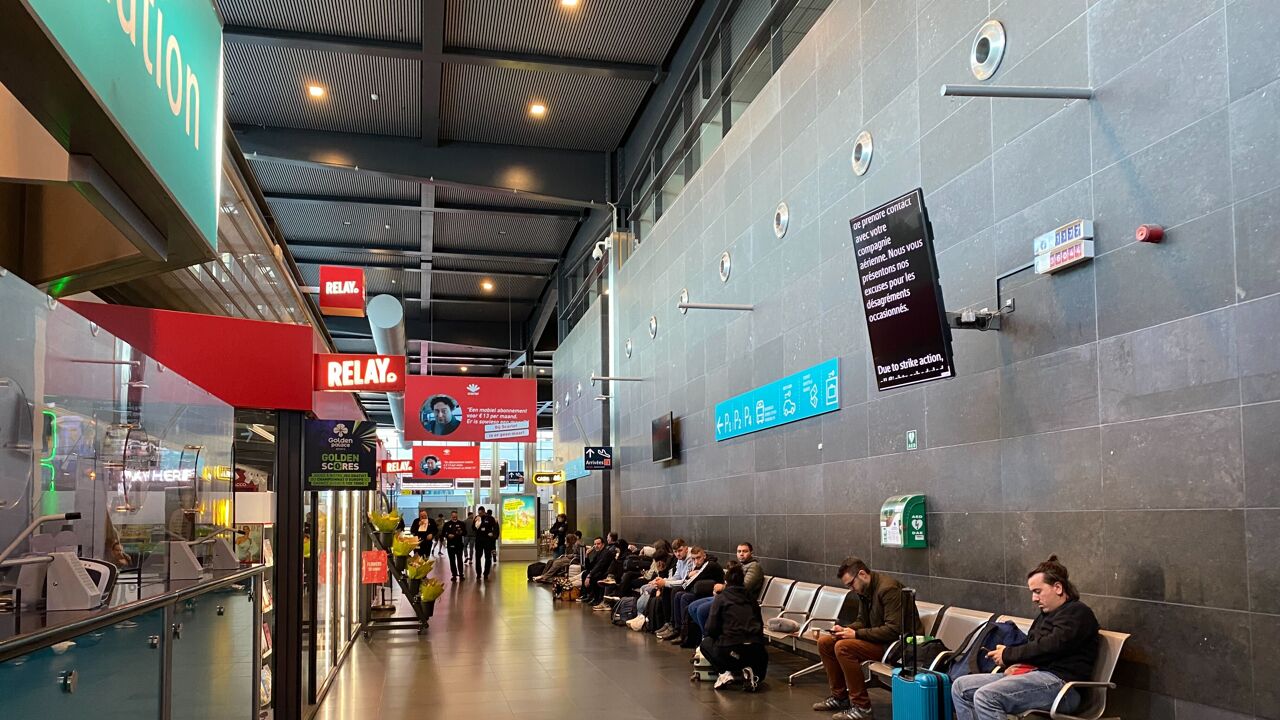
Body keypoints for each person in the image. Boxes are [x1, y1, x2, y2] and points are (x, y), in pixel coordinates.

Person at [951, 556, 1100, 720]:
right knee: (960, 687)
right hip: (1034, 677)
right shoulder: (1045, 616)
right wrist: (1015, 664)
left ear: (1058, 587)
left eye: (1038, 592)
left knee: (987, 696)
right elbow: (1035, 647)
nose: (1034, 599)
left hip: (1061, 686)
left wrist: (1008, 654)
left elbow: (1050, 646)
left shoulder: (1077, 613)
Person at [811, 557, 918, 720]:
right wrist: (847, 629)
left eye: (850, 584)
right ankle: (840, 697)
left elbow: (894, 630)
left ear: (862, 574)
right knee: (825, 642)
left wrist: (856, 634)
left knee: (843, 648)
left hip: (897, 646)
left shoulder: (889, 589)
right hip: (878, 640)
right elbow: (862, 620)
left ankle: (862, 707)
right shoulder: (864, 590)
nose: (851, 589)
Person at [702, 561, 768, 692]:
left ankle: (725, 673)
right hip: (757, 652)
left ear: (726, 582)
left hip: (731, 650)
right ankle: (751, 674)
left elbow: (710, 629)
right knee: (759, 674)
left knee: (706, 644)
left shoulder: (721, 599)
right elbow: (760, 625)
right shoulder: (752, 599)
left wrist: (720, 637)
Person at [688, 543, 763, 639]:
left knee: (701, 610)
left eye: (745, 551)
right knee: (692, 607)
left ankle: (709, 639)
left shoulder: (754, 567)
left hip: (740, 601)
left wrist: (723, 588)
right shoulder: (740, 566)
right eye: (739, 551)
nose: (741, 554)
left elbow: (744, 587)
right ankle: (708, 636)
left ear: (751, 553)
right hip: (727, 596)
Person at [585, 533, 623, 609]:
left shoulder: (606, 553)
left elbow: (600, 566)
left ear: (603, 544)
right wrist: (586, 556)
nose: (596, 546)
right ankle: (589, 595)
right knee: (585, 574)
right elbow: (590, 566)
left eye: (598, 544)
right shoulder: (597, 553)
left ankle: (597, 599)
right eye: (595, 544)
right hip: (600, 571)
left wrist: (590, 575)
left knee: (594, 577)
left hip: (605, 573)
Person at [475, 506, 500, 579]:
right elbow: (473, 528)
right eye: (478, 513)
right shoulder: (477, 518)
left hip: (488, 541)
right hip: (479, 541)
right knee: (478, 558)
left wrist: (493, 535)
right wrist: (476, 522)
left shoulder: (491, 519)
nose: (479, 514)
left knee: (488, 557)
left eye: (481, 513)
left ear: (484, 512)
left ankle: (486, 573)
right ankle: (478, 573)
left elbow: (496, 528)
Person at [442, 510, 467, 581]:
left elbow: (465, 533)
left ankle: (461, 574)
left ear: (457, 516)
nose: (454, 518)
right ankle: (454, 575)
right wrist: (448, 535)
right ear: (451, 516)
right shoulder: (447, 524)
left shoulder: (461, 523)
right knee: (452, 560)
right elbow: (443, 533)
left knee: (460, 560)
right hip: (450, 544)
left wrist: (461, 532)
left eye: (456, 517)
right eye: (453, 517)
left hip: (459, 544)